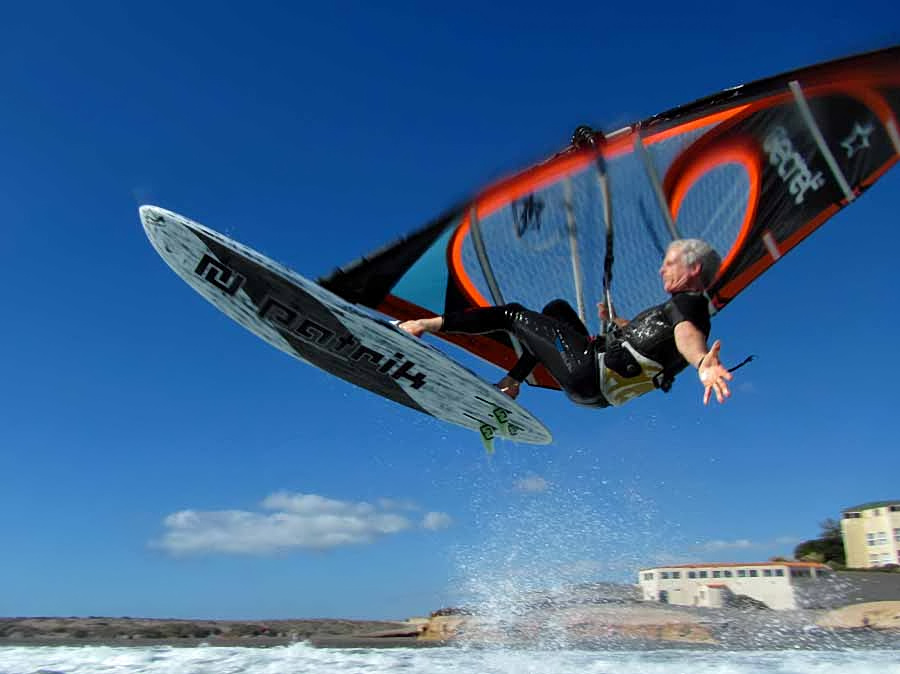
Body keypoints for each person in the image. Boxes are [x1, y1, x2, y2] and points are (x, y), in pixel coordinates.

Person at [399, 239, 732, 408]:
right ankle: (513, 381)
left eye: (670, 263)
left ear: (694, 270)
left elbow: (687, 337)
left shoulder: (689, 307)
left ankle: (423, 324)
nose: (662, 270)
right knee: (556, 310)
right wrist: (615, 321)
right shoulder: (689, 310)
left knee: (512, 314)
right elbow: (663, 337)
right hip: (599, 393)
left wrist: (703, 363)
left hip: (589, 370)